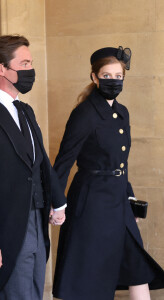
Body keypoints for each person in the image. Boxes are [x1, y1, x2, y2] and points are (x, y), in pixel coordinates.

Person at [0, 35, 66, 300]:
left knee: (34, 293)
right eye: (25, 63)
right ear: (1, 69)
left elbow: (40, 162)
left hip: (38, 221)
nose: (31, 69)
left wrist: (57, 202)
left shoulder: (26, 111)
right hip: (5, 229)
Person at [52, 46, 164, 300]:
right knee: (92, 275)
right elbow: (64, 162)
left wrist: (131, 202)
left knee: (137, 268)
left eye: (118, 77)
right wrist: (57, 204)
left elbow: (120, 163)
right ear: (94, 77)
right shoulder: (84, 114)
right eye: (106, 76)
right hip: (92, 204)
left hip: (119, 202)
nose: (113, 81)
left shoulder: (122, 112)